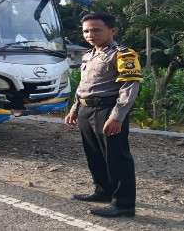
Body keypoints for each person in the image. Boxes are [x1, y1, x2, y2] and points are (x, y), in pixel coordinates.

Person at [64, 13, 143, 218]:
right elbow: (84, 85)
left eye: (96, 30)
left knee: (116, 157)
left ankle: (124, 204)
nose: (90, 34)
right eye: (86, 30)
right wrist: (75, 108)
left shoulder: (123, 54)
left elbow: (130, 86)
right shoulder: (88, 55)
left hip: (108, 110)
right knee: (95, 155)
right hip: (86, 109)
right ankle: (103, 191)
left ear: (112, 31)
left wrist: (117, 116)